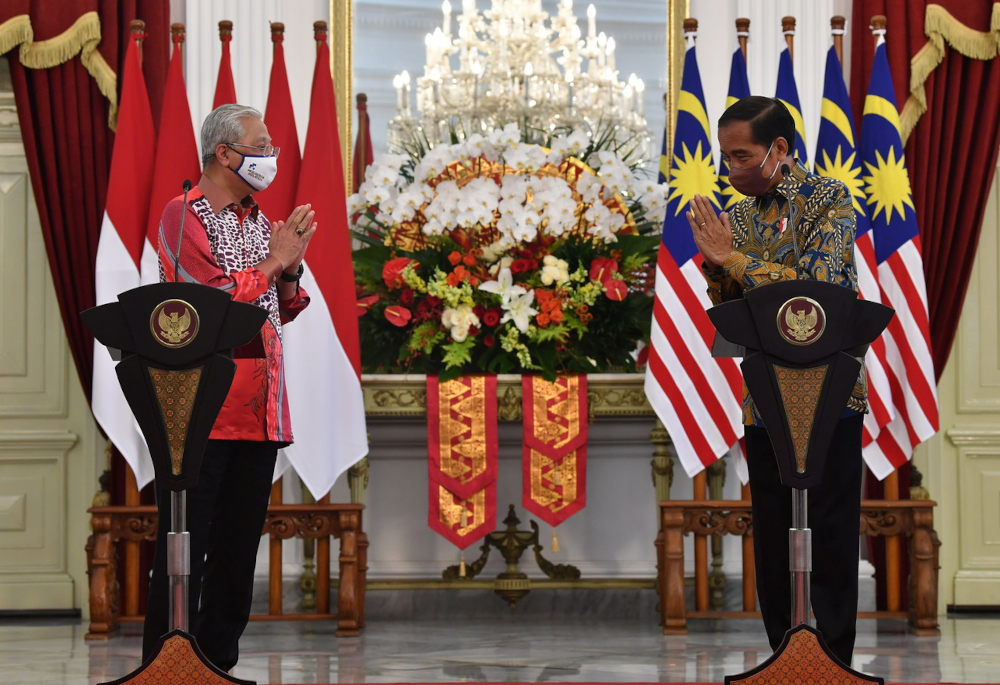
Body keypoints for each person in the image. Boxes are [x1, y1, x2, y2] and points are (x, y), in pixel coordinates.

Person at [687, 96, 865, 667]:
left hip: (832, 392)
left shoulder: (829, 201)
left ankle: (833, 659)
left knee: (832, 528)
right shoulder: (736, 219)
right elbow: (737, 308)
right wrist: (717, 270)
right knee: (771, 530)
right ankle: (782, 656)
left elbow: (817, 290)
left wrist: (732, 261)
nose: (730, 169)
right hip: (764, 396)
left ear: (780, 150)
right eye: (725, 156)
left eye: (742, 156)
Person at [142, 103, 317, 672]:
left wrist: (289, 267)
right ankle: (167, 668)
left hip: (261, 408)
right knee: (182, 555)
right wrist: (274, 262)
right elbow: (208, 305)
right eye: (260, 145)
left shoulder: (259, 222)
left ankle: (217, 666)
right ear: (224, 153)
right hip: (200, 410)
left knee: (238, 555)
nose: (271, 157)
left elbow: (280, 309)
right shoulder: (183, 213)